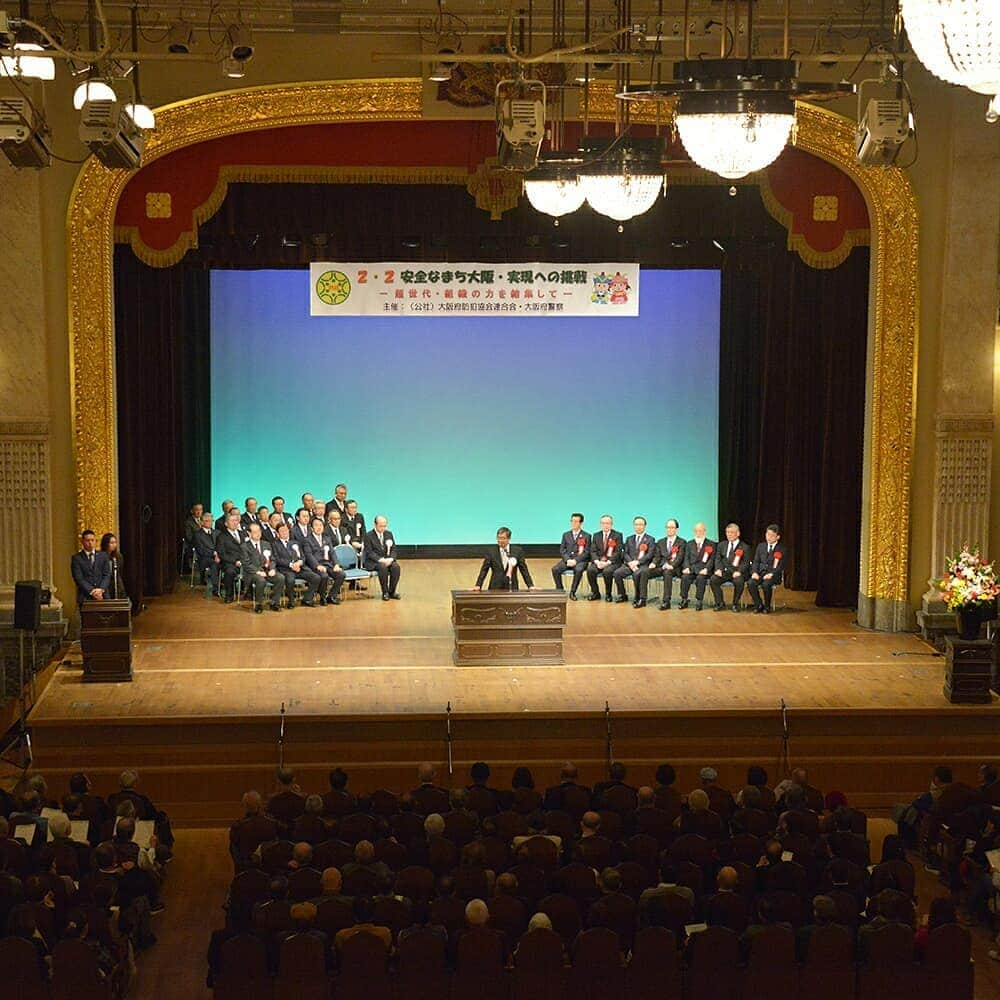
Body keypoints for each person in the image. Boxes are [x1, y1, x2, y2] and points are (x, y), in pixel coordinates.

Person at [273, 521, 319, 607]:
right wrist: (291, 565)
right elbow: (277, 559)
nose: (285, 533)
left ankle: (307, 599)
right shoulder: (275, 544)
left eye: (286, 530)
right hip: (286, 569)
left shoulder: (295, 543)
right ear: (277, 533)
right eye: (282, 531)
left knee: (316, 578)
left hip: (300, 568)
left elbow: (303, 556)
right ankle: (291, 601)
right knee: (290, 580)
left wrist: (299, 562)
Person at [474, 527, 535, 591]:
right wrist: (478, 585)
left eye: (503, 538)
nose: (500, 541)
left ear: (509, 539)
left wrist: (530, 585)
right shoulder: (491, 551)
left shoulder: (517, 551)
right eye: (499, 538)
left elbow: (524, 570)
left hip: (511, 587)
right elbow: (484, 570)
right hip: (495, 588)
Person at [242, 522, 285, 613]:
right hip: (252, 573)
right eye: (255, 532)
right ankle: (259, 604)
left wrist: (272, 568)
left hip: (267, 570)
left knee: (280, 578)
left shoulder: (266, 544)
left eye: (259, 531)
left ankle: (274, 602)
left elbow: (272, 559)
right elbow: (246, 563)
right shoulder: (244, 546)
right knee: (261, 580)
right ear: (249, 533)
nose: (258, 534)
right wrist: (257, 571)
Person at [613, 516, 656, 606]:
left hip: (642, 565)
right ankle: (623, 595)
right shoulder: (629, 538)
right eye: (636, 524)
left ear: (645, 526)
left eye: (641, 525)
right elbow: (625, 553)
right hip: (630, 564)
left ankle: (639, 597)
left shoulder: (650, 539)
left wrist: (638, 562)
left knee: (637, 574)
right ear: (633, 526)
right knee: (617, 573)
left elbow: (650, 554)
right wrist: (630, 563)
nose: (638, 526)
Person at [303, 517, 344, 605]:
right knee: (324, 576)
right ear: (311, 528)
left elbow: (332, 553)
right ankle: (322, 597)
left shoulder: (327, 538)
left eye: (321, 525)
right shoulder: (307, 540)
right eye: (316, 525)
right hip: (315, 565)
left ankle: (332, 596)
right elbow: (309, 555)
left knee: (341, 574)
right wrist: (317, 566)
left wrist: (336, 564)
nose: (319, 527)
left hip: (327, 564)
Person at [710, 522, 750, 611]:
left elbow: (746, 562)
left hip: (737, 573)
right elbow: (718, 559)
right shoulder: (721, 545)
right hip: (725, 572)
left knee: (739, 582)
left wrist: (739, 571)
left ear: (738, 533)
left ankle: (735, 604)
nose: (729, 534)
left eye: (731, 532)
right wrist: (718, 569)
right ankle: (719, 602)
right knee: (713, 579)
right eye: (727, 532)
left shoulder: (744, 547)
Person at [748, 523, 787, 614]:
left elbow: (781, 566)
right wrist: (754, 572)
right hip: (760, 573)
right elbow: (756, 561)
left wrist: (771, 574)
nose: (769, 537)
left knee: (766, 584)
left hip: (773, 575)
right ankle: (758, 604)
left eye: (772, 535)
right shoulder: (761, 546)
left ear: (778, 537)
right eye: (767, 534)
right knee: (751, 583)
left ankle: (767, 606)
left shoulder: (781, 549)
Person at [551, 512, 591, 600]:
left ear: (581, 523)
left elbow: (586, 552)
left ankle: (573, 592)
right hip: (567, 560)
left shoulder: (587, 536)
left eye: (576, 521)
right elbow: (562, 550)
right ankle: (560, 590)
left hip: (580, 561)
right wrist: (567, 559)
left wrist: (575, 560)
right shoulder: (566, 535)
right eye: (572, 521)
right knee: (555, 569)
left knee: (579, 569)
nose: (574, 523)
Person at [649, 519, 687, 610]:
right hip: (662, 566)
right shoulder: (660, 541)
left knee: (667, 572)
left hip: (674, 568)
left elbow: (680, 557)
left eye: (672, 527)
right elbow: (657, 556)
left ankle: (666, 601)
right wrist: (654, 563)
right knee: (645, 571)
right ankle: (641, 597)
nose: (669, 529)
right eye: (668, 527)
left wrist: (672, 565)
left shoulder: (681, 542)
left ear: (676, 529)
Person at [586, 514, 625, 601]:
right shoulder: (596, 535)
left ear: (611, 524)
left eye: (608, 523)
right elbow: (593, 551)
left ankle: (608, 594)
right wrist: (597, 562)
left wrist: (607, 563)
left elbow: (618, 552)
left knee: (607, 571)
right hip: (599, 562)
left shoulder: (618, 535)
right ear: (600, 524)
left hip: (612, 562)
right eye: (603, 523)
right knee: (590, 570)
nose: (605, 525)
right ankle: (595, 593)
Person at [679, 522, 716, 610]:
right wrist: (686, 567)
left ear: (705, 531)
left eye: (700, 530)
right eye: (696, 531)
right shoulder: (689, 543)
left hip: (704, 570)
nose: (698, 532)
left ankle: (699, 600)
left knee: (700, 578)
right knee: (684, 577)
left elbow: (712, 559)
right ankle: (684, 599)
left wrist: (707, 569)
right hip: (691, 569)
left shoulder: (711, 544)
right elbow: (686, 558)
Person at [364, 515, 401, 600]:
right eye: (381, 526)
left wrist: (391, 558)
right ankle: (385, 592)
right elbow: (369, 552)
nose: (383, 528)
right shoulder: (368, 536)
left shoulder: (389, 534)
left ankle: (391, 592)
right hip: (374, 562)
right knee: (382, 567)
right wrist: (381, 560)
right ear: (375, 525)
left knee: (396, 567)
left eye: (384, 526)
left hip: (387, 559)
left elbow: (394, 549)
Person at [72, 529, 112, 607]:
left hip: (103, 596)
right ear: (82, 542)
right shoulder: (77, 558)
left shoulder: (103, 556)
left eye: (92, 540)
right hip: (85, 596)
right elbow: (78, 578)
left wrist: (100, 589)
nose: (90, 543)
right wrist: (92, 591)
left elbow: (107, 575)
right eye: (87, 540)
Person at [215, 509, 246, 603]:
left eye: (236, 520)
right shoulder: (221, 536)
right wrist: (235, 561)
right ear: (226, 524)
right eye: (232, 521)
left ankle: (249, 593)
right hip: (229, 563)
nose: (234, 523)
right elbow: (222, 554)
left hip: (244, 561)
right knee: (230, 571)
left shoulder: (243, 534)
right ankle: (229, 595)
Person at [191, 512, 220, 595]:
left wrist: (218, 554)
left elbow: (221, 546)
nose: (210, 523)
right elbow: (201, 550)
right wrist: (214, 554)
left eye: (211, 521)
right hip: (204, 558)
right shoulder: (197, 535)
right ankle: (215, 589)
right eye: (207, 521)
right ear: (202, 522)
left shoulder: (217, 533)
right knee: (214, 563)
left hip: (218, 556)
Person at [100, 532, 126, 600]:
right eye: (111, 543)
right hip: (105, 585)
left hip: (117, 584)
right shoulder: (100, 556)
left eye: (115, 542)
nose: (114, 545)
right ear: (106, 544)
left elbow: (120, 571)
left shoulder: (118, 556)